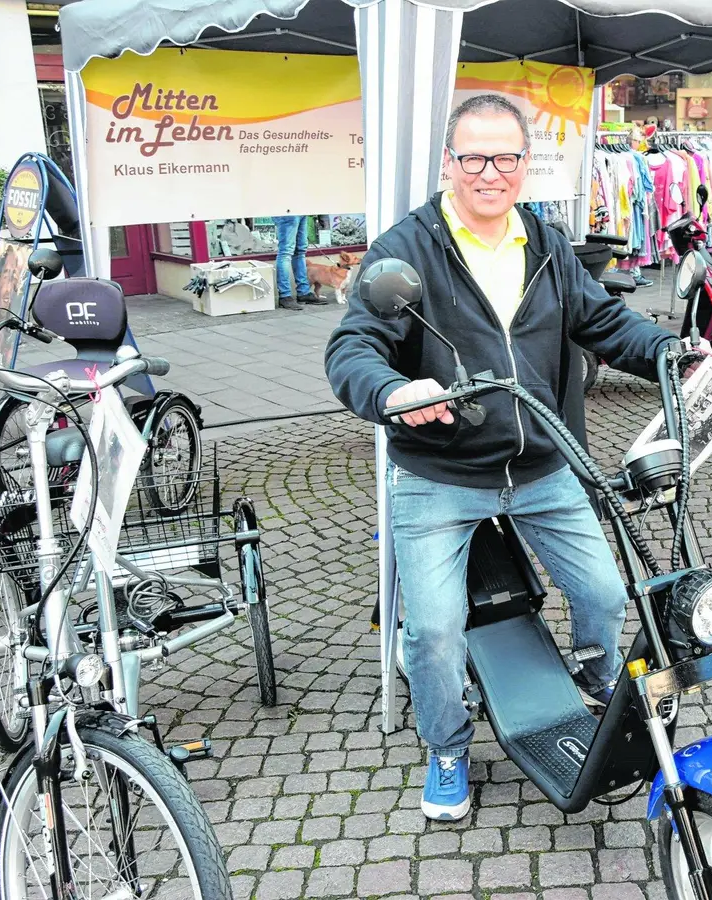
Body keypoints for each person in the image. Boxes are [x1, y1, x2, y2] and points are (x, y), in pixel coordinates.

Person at [325, 94, 675, 822]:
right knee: (434, 629)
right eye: (475, 157)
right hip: (438, 476)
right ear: (449, 164)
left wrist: (669, 350)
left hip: (544, 464)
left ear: (525, 164)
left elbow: (602, 320)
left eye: (506, 157)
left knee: (607, 594)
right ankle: (448, 744)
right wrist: (392, 389)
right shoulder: (407, 249)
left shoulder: (544, 241)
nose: (491, 172)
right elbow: (352, 346)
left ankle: (595, 674)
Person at [272, 215, 319, 309]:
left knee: (300, 250)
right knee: (286, 251)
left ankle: (303, 293)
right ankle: (284, 296)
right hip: (286, 210)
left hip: (299, 209)